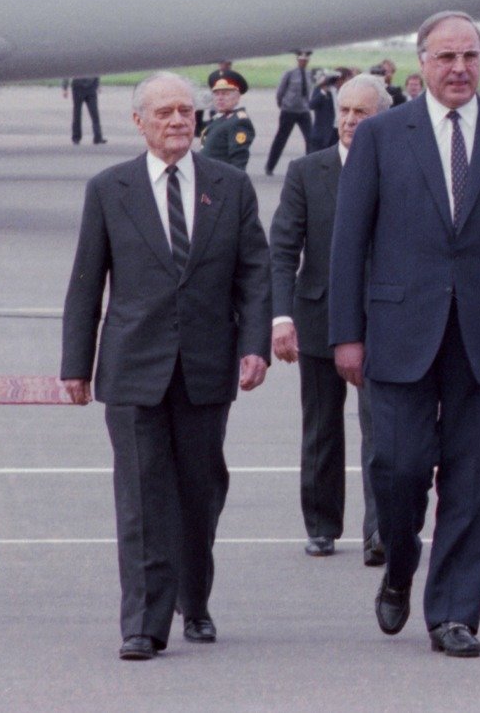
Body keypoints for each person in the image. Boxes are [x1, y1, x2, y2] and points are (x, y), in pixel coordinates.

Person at [329, 10, 480, 658]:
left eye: (470, 56)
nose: (459, 68)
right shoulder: (382, 136)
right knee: (396, 470)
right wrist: (346, 332)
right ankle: (400, 565)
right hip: (397, 330)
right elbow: (350, 244)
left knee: (473, 480)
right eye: (446, 57)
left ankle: (454, 612)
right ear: (422, 62)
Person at [59, 72, 272, 660]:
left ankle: (194, 601)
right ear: (139, 123)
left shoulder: (229, 186)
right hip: (132, 366)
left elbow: (255, 271)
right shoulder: (110, 188)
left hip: (207, 365)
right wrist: (76, 363)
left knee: (198, 492)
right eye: (165, 113)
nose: (178, 121)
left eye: (186, 111)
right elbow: (86, 281)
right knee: (141, 495)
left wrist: (255, 343)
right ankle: (144, 623)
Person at [270, 73, 391, 564]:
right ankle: (321, 525)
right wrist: (281, 317)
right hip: (318, 315)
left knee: (381, 428)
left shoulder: (398, 170)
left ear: (382, 118)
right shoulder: (306, 171)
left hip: (381, 320)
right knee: (321, 427)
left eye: (361, 113)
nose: (348, 121)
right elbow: (282, 249)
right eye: (344, 111)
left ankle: (379, 530)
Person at [266, 50, 316, 175]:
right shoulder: (290, 74)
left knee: (310, 139)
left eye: (306, 60)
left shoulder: (310, 74)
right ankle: (270, 166)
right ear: (298, 60)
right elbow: (280, 91)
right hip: (289, 110)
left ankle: (310, 168)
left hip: (304, 110)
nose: (304, 62)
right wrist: (282, 104)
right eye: (301, 60)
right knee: (281, 139)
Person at [201, 72, 254, 169]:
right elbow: (198, 130)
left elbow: (239, 160)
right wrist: (199, 108)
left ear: (237, 98)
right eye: (216, 94)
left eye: (225, 94)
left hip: (220, 179)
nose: (220, 98)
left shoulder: (239, 122)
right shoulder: (220, 118)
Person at [67, 75, 106, 145]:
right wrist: (65, 87)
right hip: (78, 87)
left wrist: (98, 84)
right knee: (77, 114)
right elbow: (68, 70)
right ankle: (76, 137)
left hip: (91, 87)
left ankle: (98, 137)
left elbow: (96, 70)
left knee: (94, 113)